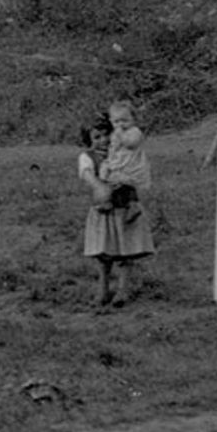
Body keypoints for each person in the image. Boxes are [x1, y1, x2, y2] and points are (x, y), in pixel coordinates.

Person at [78, 110, 155, 307]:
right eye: (97, 137)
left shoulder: (125, 153)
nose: (103, 141)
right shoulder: (88, 157)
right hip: (104, 211)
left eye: (107, 135)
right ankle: (103, 290)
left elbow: (140, 173)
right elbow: (86, 174)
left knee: (126, 251)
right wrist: (100, 186)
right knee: (103, 254)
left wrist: (126, 179)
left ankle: (123, 290)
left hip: (126, 208)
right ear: (89, 140)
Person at [102, 99, 151, 225]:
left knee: (126, 183)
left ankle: (133, 205)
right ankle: (110, 202)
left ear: (133, 119)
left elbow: (131, 144)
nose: (120, 124)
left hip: (132, 165)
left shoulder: (134, 132)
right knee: (110, 180)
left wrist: (121, 136)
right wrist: (110, 160)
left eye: (125, 120)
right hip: (119, 163)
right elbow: (113, 148)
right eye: (116, 121)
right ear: (111, 121)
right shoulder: (115, 133)